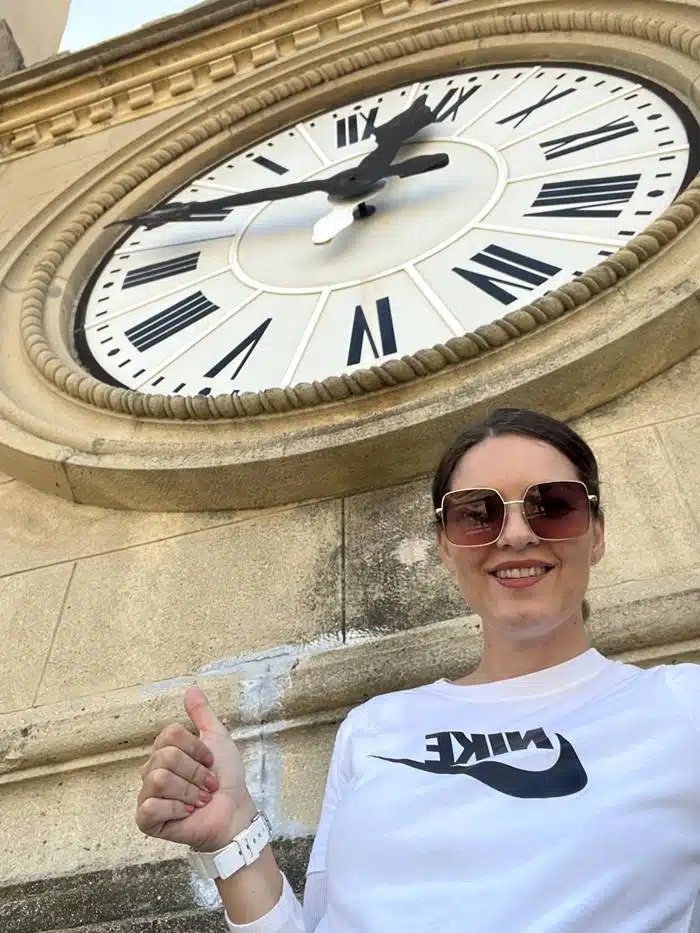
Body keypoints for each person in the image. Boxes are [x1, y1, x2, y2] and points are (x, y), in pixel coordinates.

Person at [135, 407, 700, 932]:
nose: (516, 534)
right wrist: (234, 837)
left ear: (596, 533)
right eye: (477, 515)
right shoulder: (374, 727)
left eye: (552, 505)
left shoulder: (682, 706)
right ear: (447, 546)